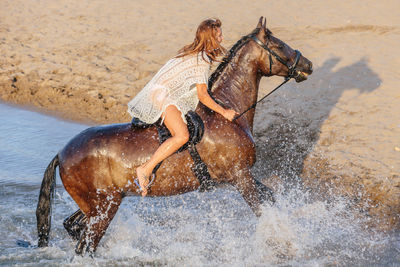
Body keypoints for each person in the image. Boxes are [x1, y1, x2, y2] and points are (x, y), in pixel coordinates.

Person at [127, 18, 237, 196]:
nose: (222, 39)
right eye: (219, 36)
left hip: (166, 92)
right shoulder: (202, 60)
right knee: (182, 135)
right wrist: (224, 112)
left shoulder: (195, 52)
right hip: (162, 94)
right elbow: (202, 95)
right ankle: (145, 169)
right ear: (210, 38)